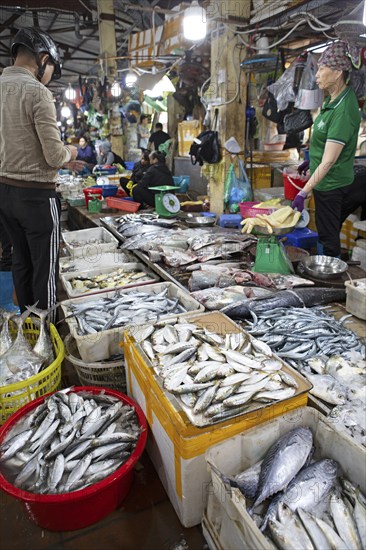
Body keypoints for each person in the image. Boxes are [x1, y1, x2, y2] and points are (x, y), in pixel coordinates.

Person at [0, 28, 78, 321]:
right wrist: (71, 151)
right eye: (52, 70)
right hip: (36, 197)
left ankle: (29, 326)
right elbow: (54, 156)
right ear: (43, 59)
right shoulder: (37, 92)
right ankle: (47, 331)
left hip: (5, 194)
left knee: (20, 261)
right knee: (45, 268)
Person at [292, 41, 362, 258]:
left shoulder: (343, 109)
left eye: (322, 68)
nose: (317, 75)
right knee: (326, 231)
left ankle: (334, 280)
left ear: (338, 72)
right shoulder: (333, 100)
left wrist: (303, 192)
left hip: (332, 184)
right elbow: (325, 145)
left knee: (328, 237)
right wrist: (312, 160)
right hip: (324, 181)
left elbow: (330, 160)